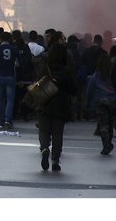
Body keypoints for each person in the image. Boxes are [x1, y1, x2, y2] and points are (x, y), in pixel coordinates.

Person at [37, 41, 77, 172]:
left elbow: (36, 81)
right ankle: (55, 160)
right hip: (61, 104)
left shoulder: (44, 67)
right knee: (57, 133)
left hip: (45, 101)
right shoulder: (66, 70)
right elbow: (73, 88)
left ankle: (44, 148)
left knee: (43, 130)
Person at [85, 53, 116, 155]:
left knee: (103, 124)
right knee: (110, 124)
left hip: (100, 101)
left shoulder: (96, 76)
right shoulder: (113, 76)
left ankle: (106, 145)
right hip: (113, 101)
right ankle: (109, 142)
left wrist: (87, 103)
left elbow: (90, 90)